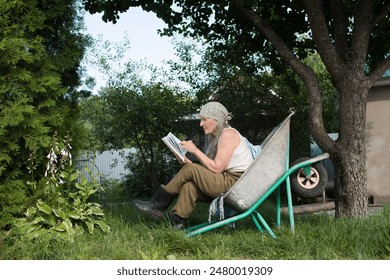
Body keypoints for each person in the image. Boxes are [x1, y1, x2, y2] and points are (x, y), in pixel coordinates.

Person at [132, 101, 254, 229]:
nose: (201, 124)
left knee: (190, 169)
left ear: (216, 119)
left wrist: (195, 151)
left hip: (236, 184)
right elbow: (211, 168)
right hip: (226, 180)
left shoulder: (228, 134)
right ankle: (176, 224)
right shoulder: (217, 137)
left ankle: (157, 205)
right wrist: (187, 162)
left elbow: (217, 168)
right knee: (190, 185)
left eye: (204, 119)